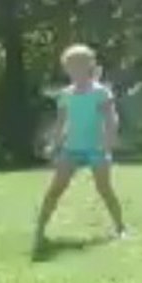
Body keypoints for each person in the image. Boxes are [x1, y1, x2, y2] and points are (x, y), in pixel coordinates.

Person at [35, 45, 127, 242]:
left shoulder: (101, 92)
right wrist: (54, 144)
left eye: (79, 65)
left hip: (96, 148)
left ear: (89, 66)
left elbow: (111, 118)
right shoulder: (66, 95)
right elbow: (61, 123)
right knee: (55, 189)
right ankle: (40, 230)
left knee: (105, 189)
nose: (74, 69)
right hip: (71, 149)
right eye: (70, 66)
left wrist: (109, 139)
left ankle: (121, 229)